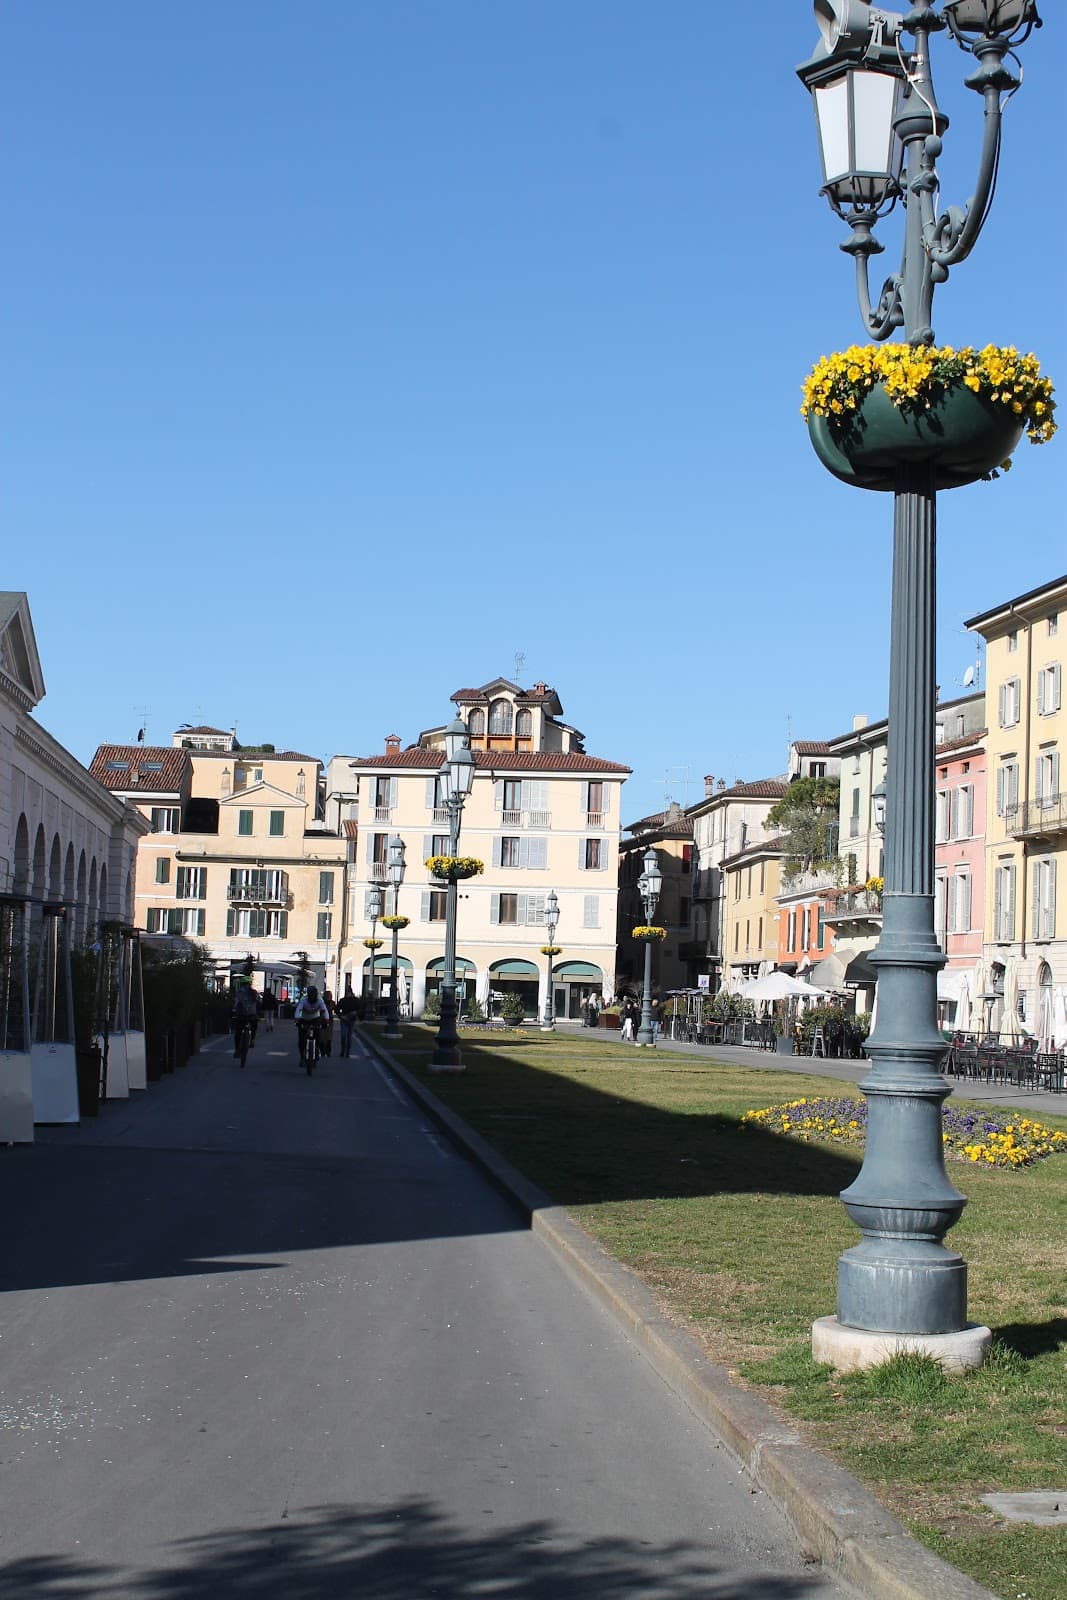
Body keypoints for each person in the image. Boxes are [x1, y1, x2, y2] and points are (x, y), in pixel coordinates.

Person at [294, 984, 330, 1061]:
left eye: (314, 995)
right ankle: (302, 1056)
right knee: (301, 1039)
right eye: (311, 995)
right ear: (308, 995)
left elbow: (325, 1011)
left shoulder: (320, 1001)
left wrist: (326, 1021)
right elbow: (298, 1010)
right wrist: (297, 1020)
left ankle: (317, 1049)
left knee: (318, 1036)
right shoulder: (304, 1000)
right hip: (304, 1019)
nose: (313, 997)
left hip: (315, 1019)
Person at [231, 981, 259, 1058]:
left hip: (241, 1015)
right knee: (254, 1025)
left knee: (238, 1033)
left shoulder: (239, 992)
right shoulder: (254, 992)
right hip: (251, 1015)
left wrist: (233, 1011)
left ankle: (237, 1050)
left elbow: (236, 1003)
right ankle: (253, 1039)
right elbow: (257, 1002)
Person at [336, 986, 360, 1058]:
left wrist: (355, 1013)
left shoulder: (355, 1000)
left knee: (349, 1036)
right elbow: (337, 1009)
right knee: (343, 1036)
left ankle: (347, 1052)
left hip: (351, 1019)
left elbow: (359, 1009)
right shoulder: (343, 1000)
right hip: (344, 1019)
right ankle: (343, 1050)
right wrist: (341, 1016)